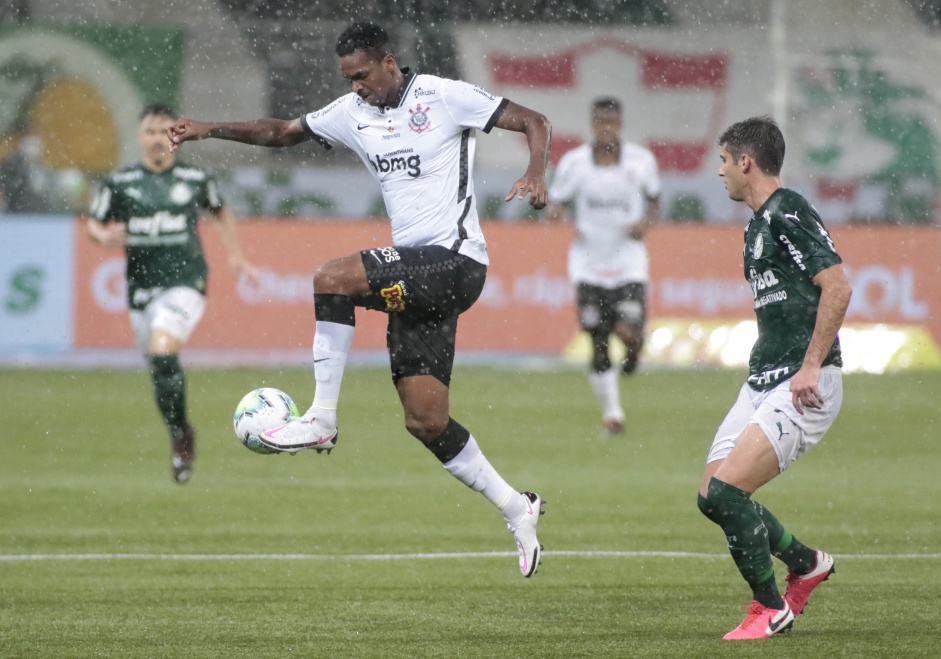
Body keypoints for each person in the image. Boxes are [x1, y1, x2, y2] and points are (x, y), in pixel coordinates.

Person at [166, 21, 552, 577]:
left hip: (457, 262)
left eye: (362, 76)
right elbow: (281, 132)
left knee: (331, 277)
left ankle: (321, 417)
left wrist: (536, 172)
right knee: (425, 420)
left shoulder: (443, 96)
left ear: (389, 62)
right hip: (418, 277)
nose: (355, 88)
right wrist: (209, 129)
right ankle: (519, 508)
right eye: (347, 79)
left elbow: (533, 120)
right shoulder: (352, 113)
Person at [698, 116, 853, 640]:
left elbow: (837, 287)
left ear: (746, 162)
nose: (719, 172)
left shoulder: (787, 210)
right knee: (711, 496)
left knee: (725, 493)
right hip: (764, 378)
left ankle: (771, 610)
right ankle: (806, 563)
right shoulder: (756, 224)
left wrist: (811, 364)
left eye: (723, 161)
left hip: (803, 382)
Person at [86, 104, 259, 484]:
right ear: (139, 137)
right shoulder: (121, 181)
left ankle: (181, 440)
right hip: (140, 288)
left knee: (165, 350)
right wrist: (102, 236)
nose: (156, 139)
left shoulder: (195, 177)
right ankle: (180, 431)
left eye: (165, 131)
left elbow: (220, 212)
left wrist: (236, 257)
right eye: (149, 132)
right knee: (160, 367)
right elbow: (94, 225)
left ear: (176, 136)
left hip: (186, 281)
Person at [546, 97, 660, 436]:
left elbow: (655, 200)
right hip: (587, 264)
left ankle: (635, 351)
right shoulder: (574, 163)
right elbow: (558, 201)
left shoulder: (641, 162)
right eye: (600, 122)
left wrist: (645, 224)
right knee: (596, 337)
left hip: (628, 263)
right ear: (592, 124)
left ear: (620, 124)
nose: (606, 128)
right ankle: (613, 416)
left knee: (629, 331)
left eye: (611, 122)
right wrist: (554, 211)